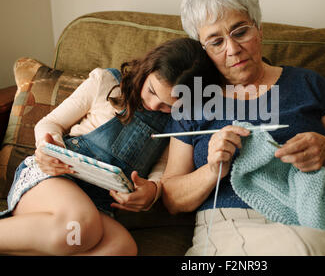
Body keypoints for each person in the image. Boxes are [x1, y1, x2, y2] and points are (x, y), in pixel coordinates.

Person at [162, 0, 325, 256]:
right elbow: (172, 198)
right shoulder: (193, 100)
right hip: (229, 229)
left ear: (259, 28)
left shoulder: (307, 84)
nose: (233, 49)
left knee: (308, 247)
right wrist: (213, 169)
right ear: (202, 50)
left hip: (310, 220)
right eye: (217, 42)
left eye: (241, 32)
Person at [0, 37, 220, 256]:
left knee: (122, 248)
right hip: (51, 179)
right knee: (79, 226)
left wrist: (151, 191)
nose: (153, 105)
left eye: (167, 105)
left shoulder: (176, 123)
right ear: (147, 68)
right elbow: (50, 123)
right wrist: (49, 147)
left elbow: (161, 169)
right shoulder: (106, 82)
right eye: (152, 91)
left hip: (97, 203)